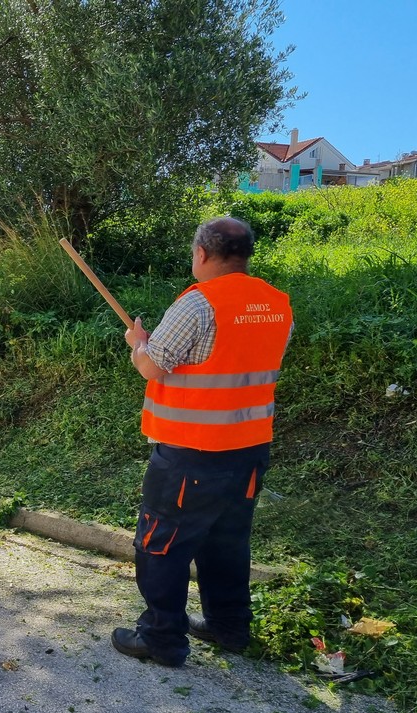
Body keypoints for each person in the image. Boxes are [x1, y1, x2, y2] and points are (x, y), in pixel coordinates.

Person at [111, 217, 293, 668]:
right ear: (245, 255)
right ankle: (229, 626)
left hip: (192, 452)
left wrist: (138, 343)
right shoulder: (277, 304)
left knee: (162, 542)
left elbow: (154, 367)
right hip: (250, 449)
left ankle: (160, 638)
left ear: (202, 253)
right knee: (227, 541)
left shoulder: (197, 306)